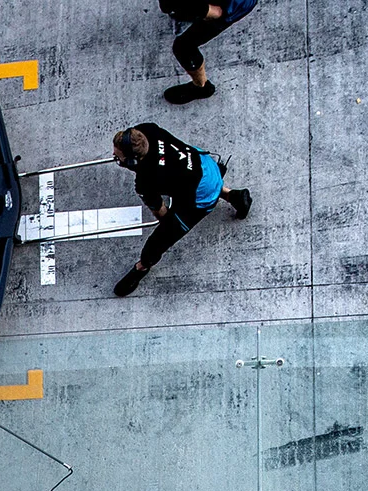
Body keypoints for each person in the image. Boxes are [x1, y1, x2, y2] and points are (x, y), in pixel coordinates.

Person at [109, 123, 253, 297]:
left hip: (202, 194)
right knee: (189, 181)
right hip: (205, 164)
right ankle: (233, 196)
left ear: (133, 161)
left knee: (159, 240)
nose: (114, 156)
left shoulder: (146, 181)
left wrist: (172, 225)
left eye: (119, 157)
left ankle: (142, 266)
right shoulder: (147, 129)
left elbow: (161, 212)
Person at [159, 0, 259, 104]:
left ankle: (201, 87)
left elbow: (217, 13)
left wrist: (198, 10)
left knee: (184, 47)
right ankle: (188, 12)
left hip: (231, 7)